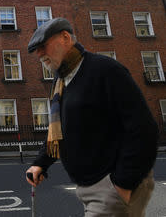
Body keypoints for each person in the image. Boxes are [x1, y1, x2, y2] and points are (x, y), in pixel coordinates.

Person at [25, 18, 158, 216]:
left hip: (110, 187)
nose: (39, 54)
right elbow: (62, 129)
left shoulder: (104, 70)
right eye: (35, 50)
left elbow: (144, 129)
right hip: (88, 187)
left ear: (65, 37)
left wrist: (122, 184)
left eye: (43, 46)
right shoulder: (61, 81)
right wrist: (41, 163)